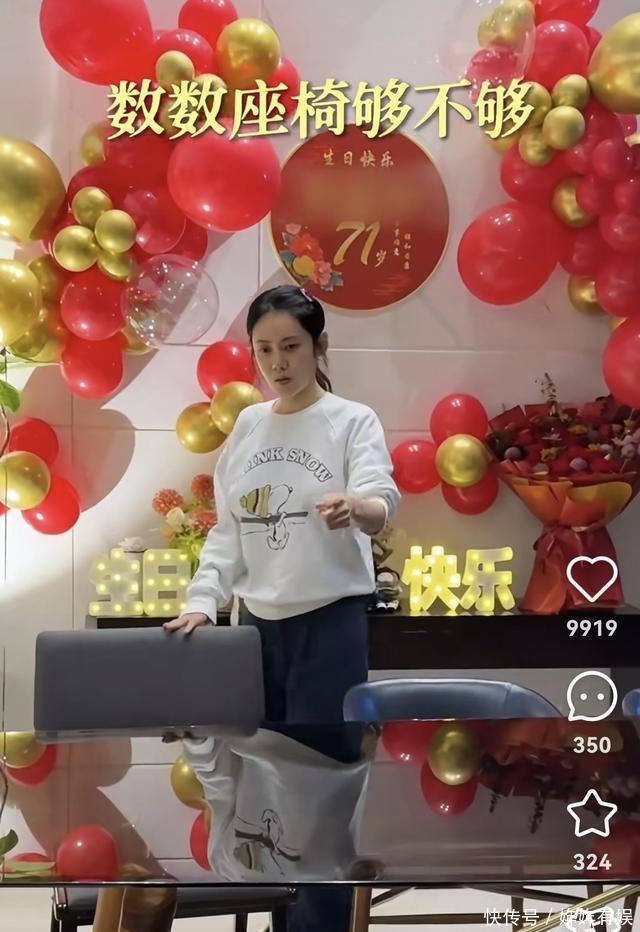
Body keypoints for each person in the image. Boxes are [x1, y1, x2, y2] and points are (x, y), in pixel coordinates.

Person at [165, 283, 400, 931]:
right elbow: (228, 532)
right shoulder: (248, 425)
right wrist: (202, 602)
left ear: (319, 346)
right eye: (264, 349)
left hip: (329, 629)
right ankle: (279, 917)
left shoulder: (351, 420)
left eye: (291, 346)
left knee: (324, 791)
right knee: (259, 785)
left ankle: (322, 924)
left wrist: (357, 507)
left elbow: (381, 498)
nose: (277, 363)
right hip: (256, 633)